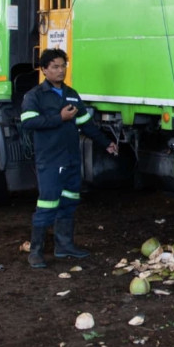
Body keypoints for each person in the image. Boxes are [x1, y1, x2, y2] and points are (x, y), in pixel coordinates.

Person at [20, 48, 118, 268]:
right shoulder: (35, 95)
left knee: (69, 202)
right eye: (55, 66)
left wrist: (106, 143)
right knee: (47, 204)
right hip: (50, 160)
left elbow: (86, 124)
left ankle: (64, 246)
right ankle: (36, 252)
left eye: (63, 66)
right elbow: (28, 122)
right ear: (44, 70)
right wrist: (60, 117)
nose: (60, 70)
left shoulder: (71, 94)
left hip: (72, 159)